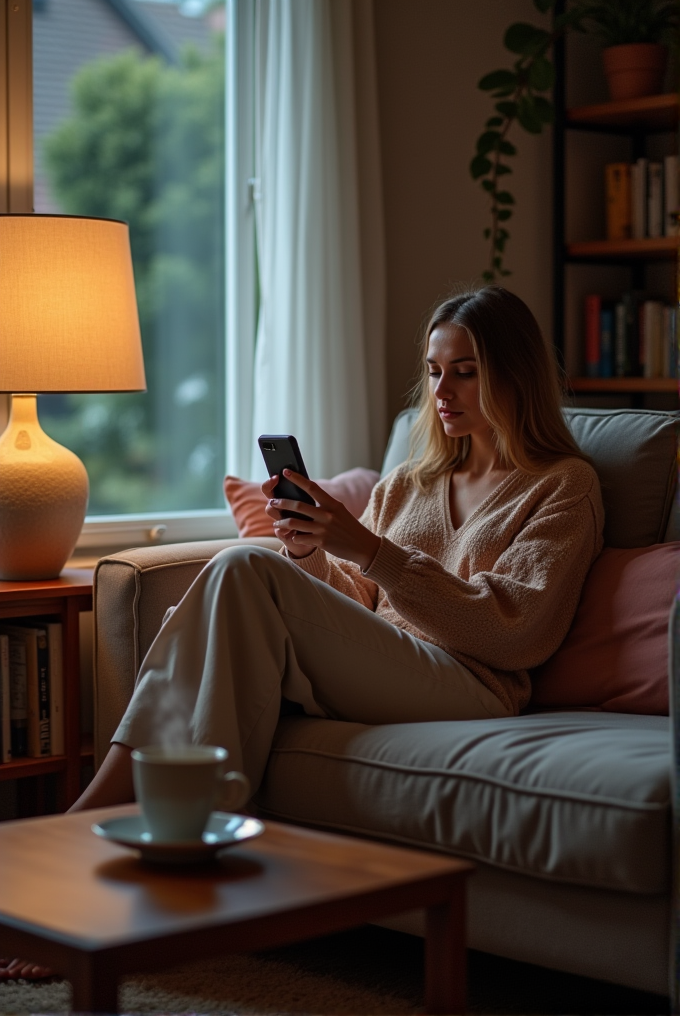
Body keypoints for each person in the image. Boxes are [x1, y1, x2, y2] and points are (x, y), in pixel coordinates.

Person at [0, 285, 604, 980]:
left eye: (465, 370)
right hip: (392, 668)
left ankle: (85, 831)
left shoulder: (562, 486)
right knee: (248, 575)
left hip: (471, 683)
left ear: (514, 374)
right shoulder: (409, 482)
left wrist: (370, 550)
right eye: (435, 370)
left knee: (240, 569)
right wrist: (315, 554)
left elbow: (517, 632)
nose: (443, 389)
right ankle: (160, 847)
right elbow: (361, 607)